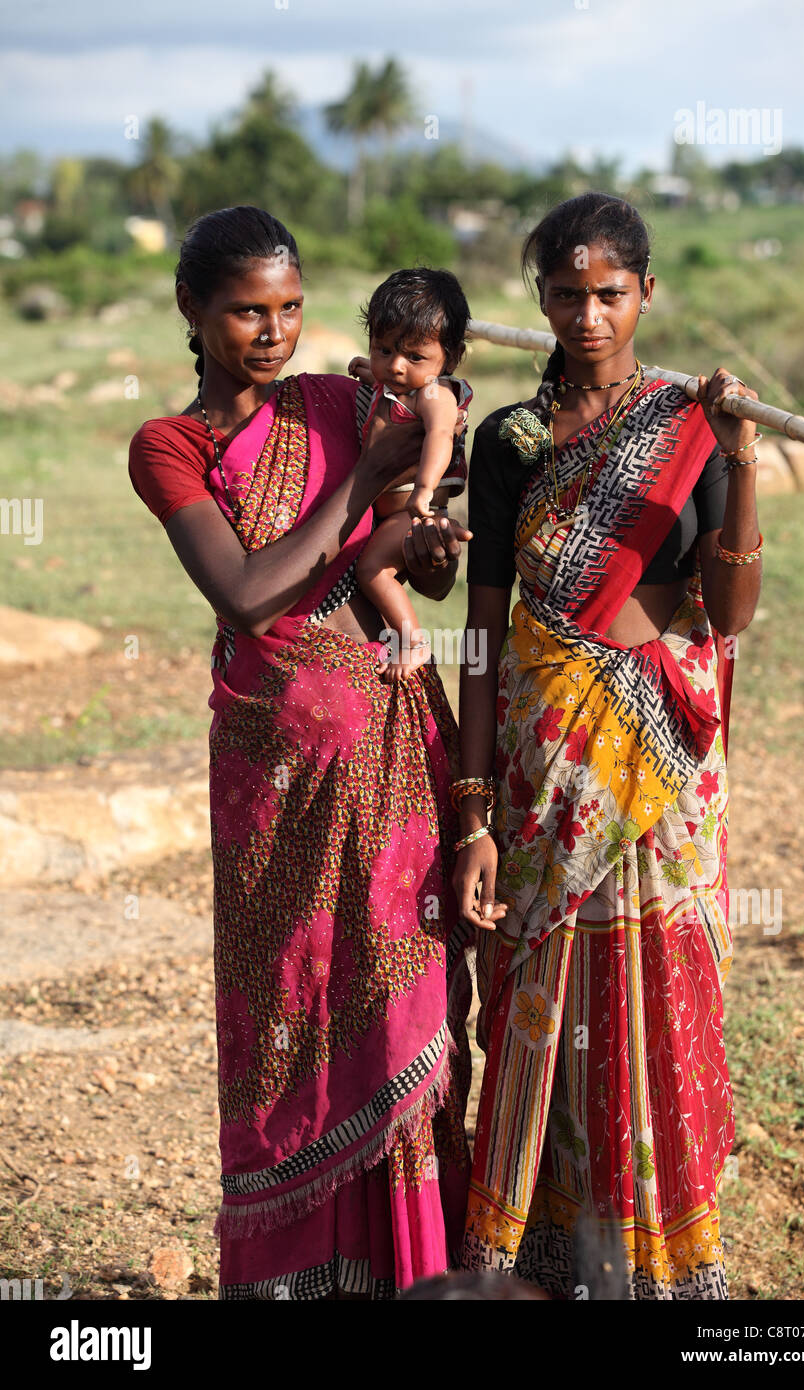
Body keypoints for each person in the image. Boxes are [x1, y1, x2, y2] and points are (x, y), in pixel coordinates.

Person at [127, 205, 474, 1300]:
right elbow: (246, 590)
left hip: (385, 755)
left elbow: (406, 569)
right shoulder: (169, 445)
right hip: (272, 775)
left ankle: (411, 1268)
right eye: (245, 312)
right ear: (192, 309)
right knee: (293, 1006)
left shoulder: (336, 401)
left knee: (406, 1000)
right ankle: (300, 1275)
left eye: (288, 309)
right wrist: (360, 480)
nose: (272, 334)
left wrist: (420, 519)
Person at [452, 193, 763, 1300]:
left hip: (657, 776)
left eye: (609, 294)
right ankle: (540, 1253)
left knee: (658, 1003)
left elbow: (724, 617)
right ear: (537, 297)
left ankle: (667, 1267)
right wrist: (475, 810)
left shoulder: (691, 423)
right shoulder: (511, 442)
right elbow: (482, 637)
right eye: (564, 294)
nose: (586, 315)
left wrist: (740, 462)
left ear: (644, 294)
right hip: (545, 779)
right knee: (547, 1006)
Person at [348, 268, 473, 682]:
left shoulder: (436, 394)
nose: (396, 367)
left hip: (413, 513)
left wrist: (423, 491)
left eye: (414, 357)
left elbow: (440, 433)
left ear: (449, 359)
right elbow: (388, 381)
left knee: (372, 571)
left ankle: (413, 640)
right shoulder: (404, 385)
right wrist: (369, 368)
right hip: (395, 515)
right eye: (383, 349)